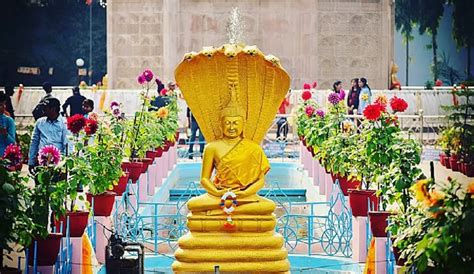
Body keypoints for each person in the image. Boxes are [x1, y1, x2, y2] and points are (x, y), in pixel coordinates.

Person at [28, 98, 70, 173]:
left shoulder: (64, 124)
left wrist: (64, 164)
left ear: (53, 108)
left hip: (57, 163)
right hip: (41, 161)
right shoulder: (40, 122)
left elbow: (67, 145)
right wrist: (31, 161)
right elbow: (34, 142)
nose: (43, 109)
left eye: (45, 107)